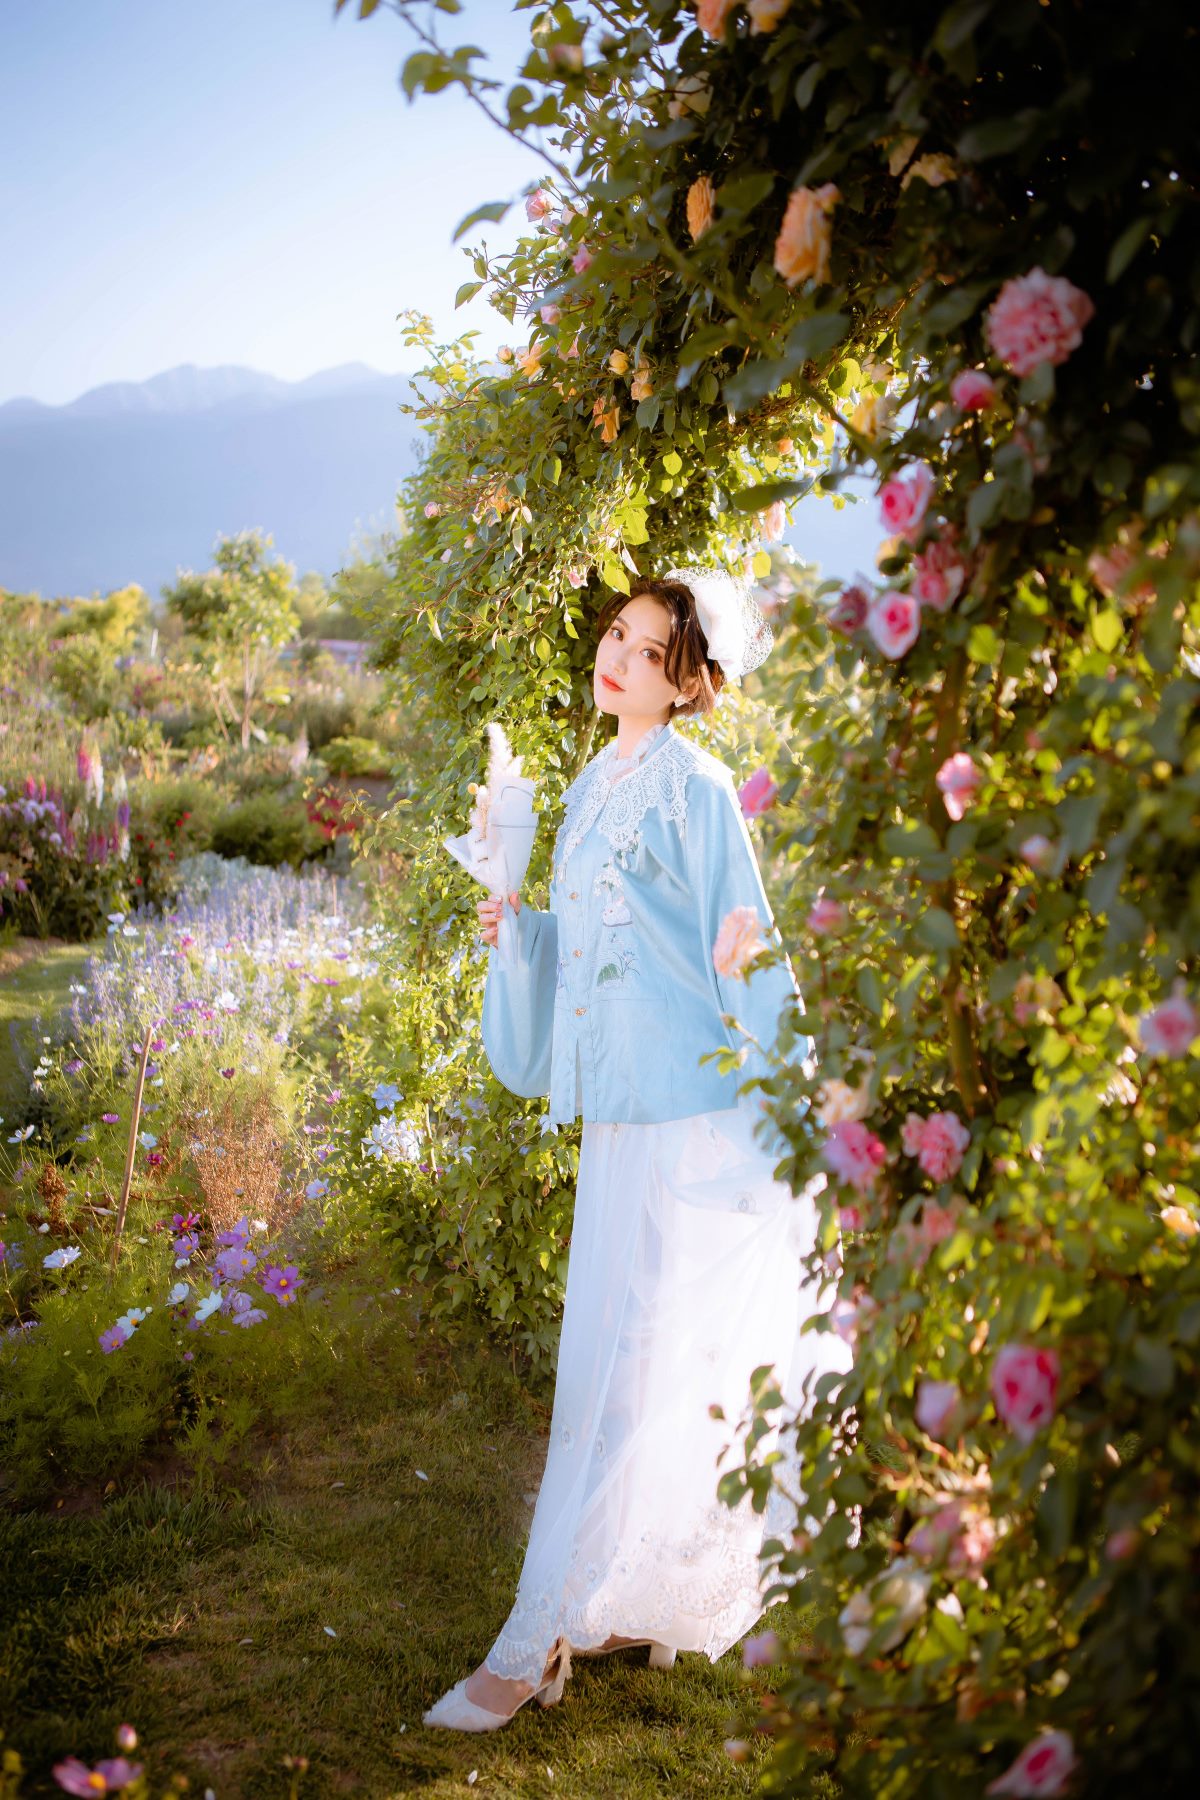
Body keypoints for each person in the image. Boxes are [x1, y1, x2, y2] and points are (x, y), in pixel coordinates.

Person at [423, 566, 850, 1732]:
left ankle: (532, 1645)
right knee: (627, 1366)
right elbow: (596, 940)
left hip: (685, 1115)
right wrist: (521, 926)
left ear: (691, 682)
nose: (619, 658)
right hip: (621, 1108)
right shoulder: (591, 784)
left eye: (652, 651)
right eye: (620, 633)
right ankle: (625, 1605)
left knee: (617, 1371)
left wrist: (797, 1100)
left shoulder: (694, 788)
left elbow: (742, 939)